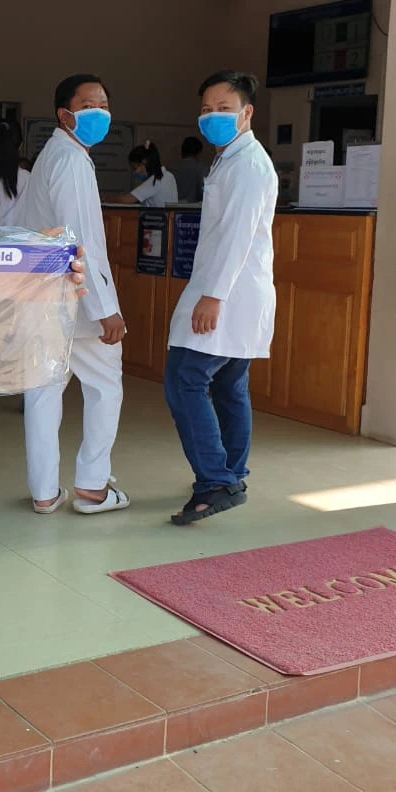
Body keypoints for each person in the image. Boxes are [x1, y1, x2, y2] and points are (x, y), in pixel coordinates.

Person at [13, 74, 130, 516]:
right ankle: (93, 487)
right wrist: (106, 309)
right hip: (76, 298)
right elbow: (82, 240)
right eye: (88, 105)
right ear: (65, 115)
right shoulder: (71, 160)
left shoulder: (51, 157)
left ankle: (44, 492)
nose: (99, 112)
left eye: (104, 104)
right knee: (104, 386)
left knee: (43, 391)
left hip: (41, 297)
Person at [165, 70, 278, 526]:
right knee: (229, 384)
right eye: (206, 110)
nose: (213, 117)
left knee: (184, 379)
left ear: (247, 113)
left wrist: (212, 296)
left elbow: (237, 235)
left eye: (224, 109)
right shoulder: (231, 158)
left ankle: (216, 481)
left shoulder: (248, 164)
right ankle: (231, 473)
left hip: (227, 292)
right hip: (233, 290)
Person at [106, 142, 178, 206]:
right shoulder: (168, 175)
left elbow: (125, 200)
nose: (135, 172)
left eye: (134, 168)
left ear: (144, 162)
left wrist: (105, 199)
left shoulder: (156, 179)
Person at [173, 135, 206, 203]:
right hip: (192, 207)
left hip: (173, 207)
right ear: (198, 153)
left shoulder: (173, 168)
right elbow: (203, 193)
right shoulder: (200, 169)